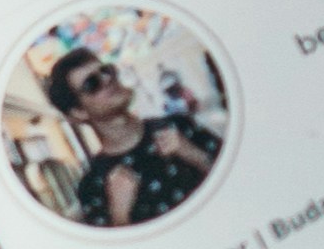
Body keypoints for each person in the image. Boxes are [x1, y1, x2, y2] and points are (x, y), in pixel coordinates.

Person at [37, 35, 222, 229]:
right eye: (92, 83)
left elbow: (242, 182)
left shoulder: (179, 126)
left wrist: (193, 154)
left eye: (106, 70)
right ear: (78, 112)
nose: (107, 79)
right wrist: (119, 213)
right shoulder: (93, 187)